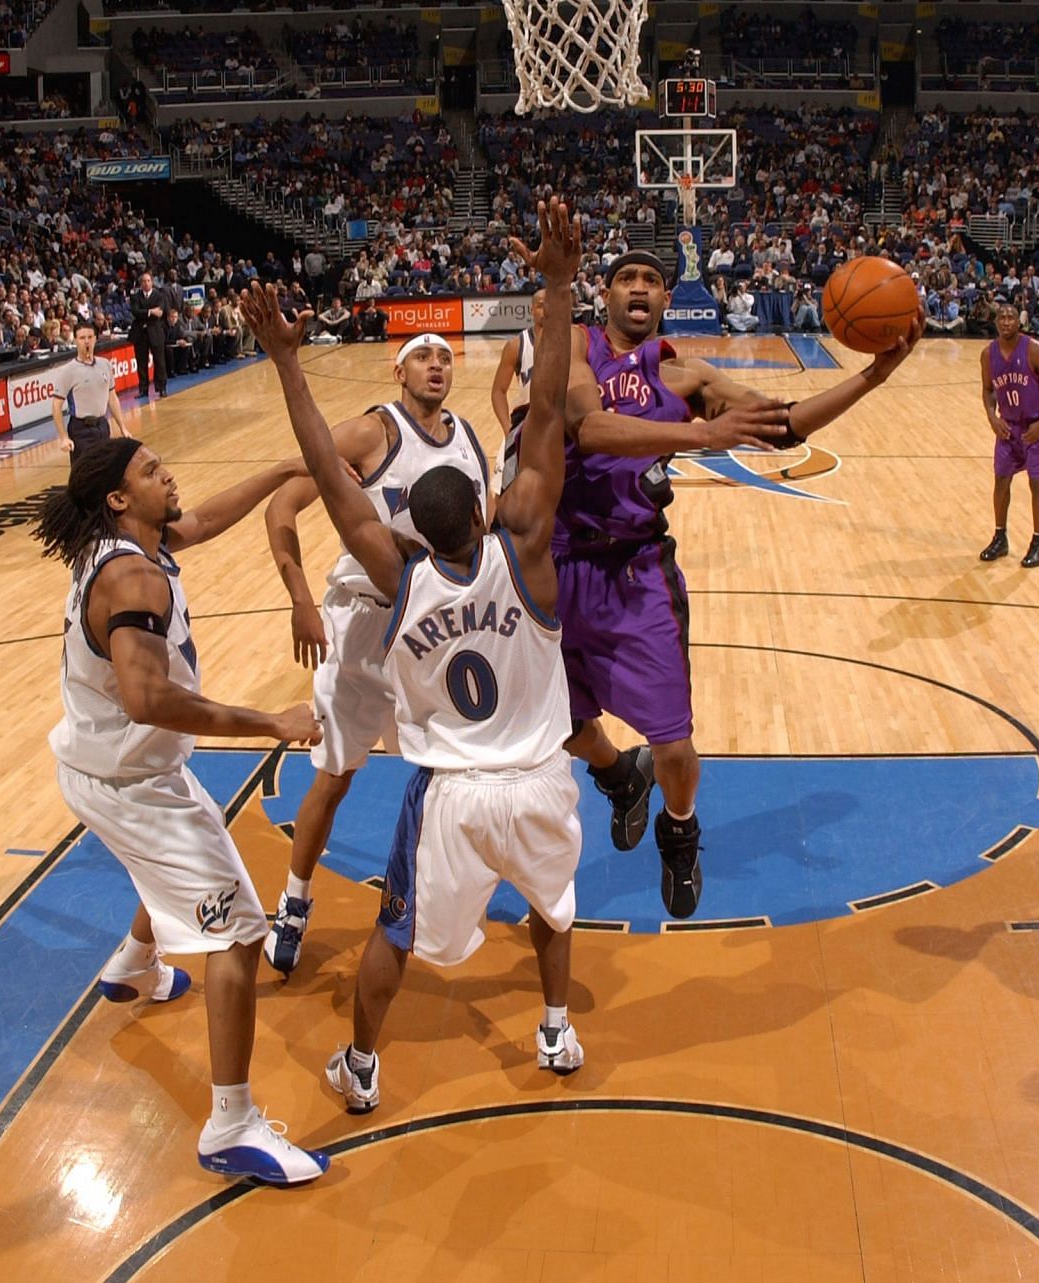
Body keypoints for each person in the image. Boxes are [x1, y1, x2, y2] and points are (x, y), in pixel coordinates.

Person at [241, 197, 589, 1110]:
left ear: (409, 530)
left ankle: (359, 1066)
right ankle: (555, 1026)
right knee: (553, 906)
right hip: (541, 775)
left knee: (393, 935)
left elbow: (325, 475)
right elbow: (545, 411)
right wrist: (556, 287)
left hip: (454, 794)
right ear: (483, 508)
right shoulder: (532, 554)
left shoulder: (400, 578)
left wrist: (287, 363)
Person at [529, 250, 919, 918]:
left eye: (652, 281)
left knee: (675, 746)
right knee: (557, 725)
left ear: (666, 299)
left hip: (634, 568)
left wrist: (873, 377)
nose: (640, 289)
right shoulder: (574, 344)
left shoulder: (687, 375)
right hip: (554, 565)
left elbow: (786, 423)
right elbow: (586, 428)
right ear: (607, 293)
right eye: (628, 278)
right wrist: (701, 433)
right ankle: (619, 775)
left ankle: (679, 829)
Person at [33, 438, 328, 1185]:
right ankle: (230, 1125)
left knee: (184, 864)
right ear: (119, 500)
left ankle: (133, 965)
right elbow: (148, 698)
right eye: (149, 470)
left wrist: (281, 468)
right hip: (132, 784)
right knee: (236, 934)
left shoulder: (133, 541)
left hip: (111, 765)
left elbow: (199, 522)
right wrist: (270, 720)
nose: (168, 472)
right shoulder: (132, 573)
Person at [260, 329, 487, 974]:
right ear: (398, 370)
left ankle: (446, 898)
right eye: (423, 355)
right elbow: (284, 502)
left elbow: (484, 533)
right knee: (335, 777)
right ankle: (295, 900)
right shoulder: (371, 432)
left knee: (459, 772)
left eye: (445, 357)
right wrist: (301, 598)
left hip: (434, 631)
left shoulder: (470, 442)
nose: (437, 365)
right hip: (361, 625)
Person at [978, 302, 1039, 568]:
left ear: (1019, 322)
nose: (1006, 322)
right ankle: (1000, 537)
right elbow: (988, 390)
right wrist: (992, 418)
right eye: (1001, 317)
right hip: (1007, 427)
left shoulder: (1035, 350)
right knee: (1000, 481)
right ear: (996, 323)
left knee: (1036, 484)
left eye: (1011, 317)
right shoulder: (987, 354)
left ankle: (1038, 541)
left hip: (1036, 426)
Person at [50, 320, 127, 453]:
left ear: (95, 339)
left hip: (102, 425)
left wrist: (122, 427)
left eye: (90, 337)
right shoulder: (68, 370)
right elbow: (56, 405)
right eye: (82, 338)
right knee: (85, 471)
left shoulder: (105, 365)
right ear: (75, 341)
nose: (86, 341)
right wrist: (63, 437)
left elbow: (112, 398)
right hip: (80, 429)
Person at [489, 289, 544, 446]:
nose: (546, 310)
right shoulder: (517, 345)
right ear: (531, 310)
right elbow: (498, 391)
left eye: (550, 305)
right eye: (540, 306)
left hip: (562, 426)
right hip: (526, 426)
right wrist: (508, 429)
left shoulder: (571, 341)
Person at [129, 271, 169, 397]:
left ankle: (161, 388)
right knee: (141, 362)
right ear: (140, 283)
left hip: (155, 332)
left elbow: (161, 312)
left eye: (148, 281)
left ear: (152, 282)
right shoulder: (135, 296)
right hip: (140, 333)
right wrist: (151, 311)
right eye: (143, 281)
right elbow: (135, 312)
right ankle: (143, 389)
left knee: (159, 361)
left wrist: (145, 312)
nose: (146, 283)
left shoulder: (159, 295)